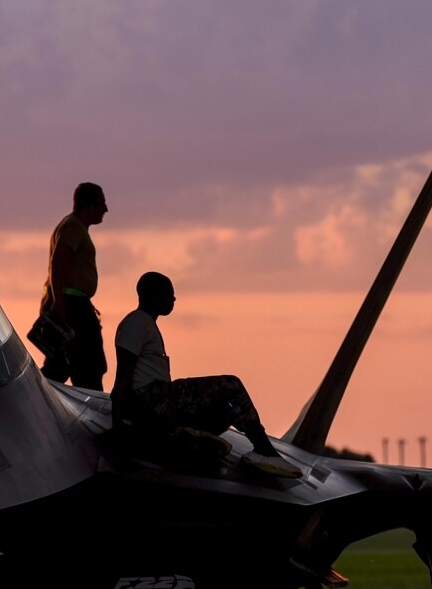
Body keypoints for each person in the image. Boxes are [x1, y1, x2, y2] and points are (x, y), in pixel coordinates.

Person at [112, 272, 302, 479]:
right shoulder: (136, 322)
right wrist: (118, 421)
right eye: (168, 294)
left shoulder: (145, 323)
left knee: (226, 411)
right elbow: (123, 373)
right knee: (230, 384)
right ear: (151, 295)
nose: (173, 299)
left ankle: (186, 440)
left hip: (158, 402)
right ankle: (264, 450)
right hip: (152, 398)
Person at [40, 182, 109, 390]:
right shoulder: (73, 227)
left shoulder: (74, 227)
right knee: (89, 364)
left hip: (73, 303)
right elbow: (58, 262)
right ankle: (95, 412)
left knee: (61, 365)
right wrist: (60, 302)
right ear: (89, 205)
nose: (105, 209)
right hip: (72, 305)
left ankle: (39, 398)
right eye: (102, 204)